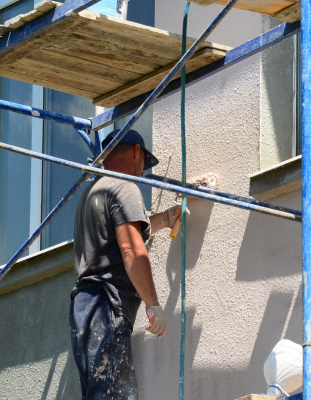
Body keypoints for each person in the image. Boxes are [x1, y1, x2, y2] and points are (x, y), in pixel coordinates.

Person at [70, 130, 183, 399]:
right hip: (105, 304)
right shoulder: (125, 186)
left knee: (99, 392)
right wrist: (153, 304)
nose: (143, 171)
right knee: (114, 394)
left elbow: (124, 232)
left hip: (85, 306)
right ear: (136, 152)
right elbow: (131, 248)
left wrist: (166, 218)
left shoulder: (93, 192)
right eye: (144, 161)